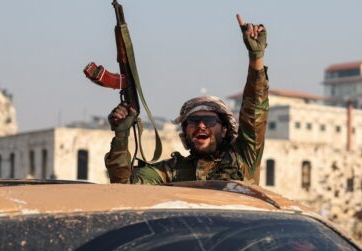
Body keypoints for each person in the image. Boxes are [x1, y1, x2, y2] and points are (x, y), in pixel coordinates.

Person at [105, 14, 269, 184]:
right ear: (184, 132)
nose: (201, 125)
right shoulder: (173, 171)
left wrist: (256, 58)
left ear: (225, 129)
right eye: (193, 121)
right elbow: (125, 186)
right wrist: (121, 136)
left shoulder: (244, 158)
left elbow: (255, 114)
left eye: (209, 121)